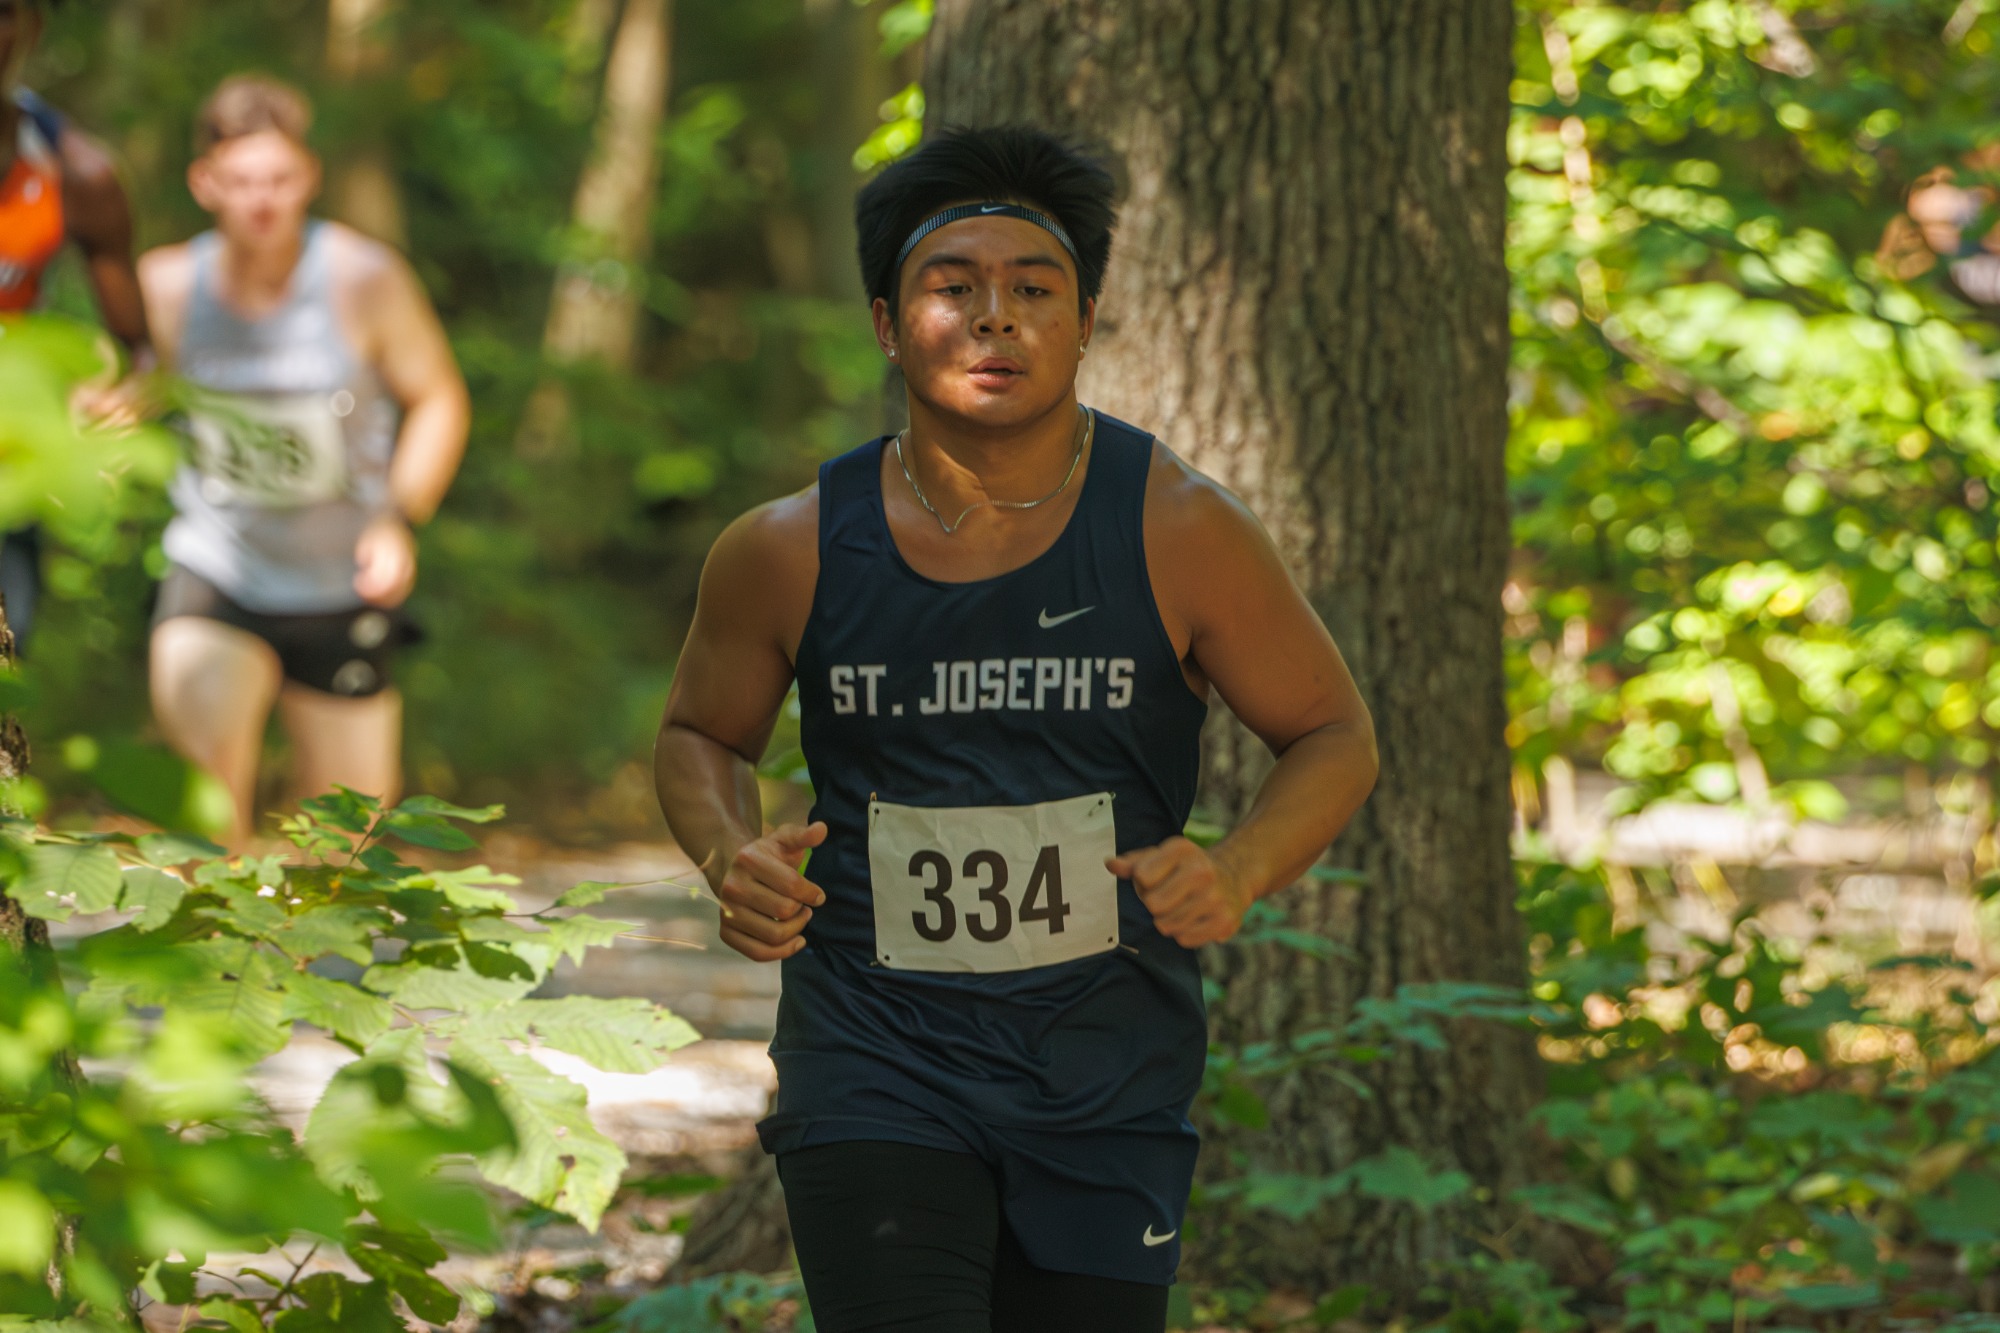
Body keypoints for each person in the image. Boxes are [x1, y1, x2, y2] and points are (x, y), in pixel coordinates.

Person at [655, 126, 1378, 1333]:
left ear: (1084, 322)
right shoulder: (787, 547)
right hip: (872, 1054)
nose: (993, 317)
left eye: (1032, 290)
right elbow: (697, 734)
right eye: (952, 288)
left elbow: (1332, 732)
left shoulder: (1178, 529)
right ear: (887, 325)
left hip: (1106, 1067)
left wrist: (1239, 869)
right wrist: (729, 853)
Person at [137, 75, 468, 845]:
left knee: (341, 842)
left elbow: (440, 399)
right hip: (219, 564)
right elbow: (117, 393)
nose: (263, 200)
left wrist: (396, 516)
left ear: (309, 177)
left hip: (341, 581)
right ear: (205, 183)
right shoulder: (168, 286)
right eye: (243, 181)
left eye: (280, 179)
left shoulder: (364, 278)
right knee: (202, 817)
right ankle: (216, 922)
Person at [0, 0, 155, 647]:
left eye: (3, 11)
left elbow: (142, 354)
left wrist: (115, 404)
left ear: (30, 27)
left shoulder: (77, 172)